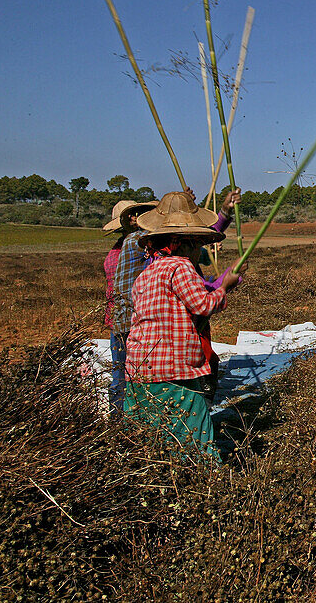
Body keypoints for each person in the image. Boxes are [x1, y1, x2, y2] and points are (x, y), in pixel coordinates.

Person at [124, 192, 246, 462]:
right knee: (192, 445)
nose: (199, 250)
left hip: (140, 369)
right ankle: (204, 487)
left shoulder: (147, 273)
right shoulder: (181, 266)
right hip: (176, 372)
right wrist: (225, 285)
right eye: (197, 244)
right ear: (183, 243)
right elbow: (202, 304)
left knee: (150, 443)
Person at [103, 198, 158, 418]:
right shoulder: (135, 244)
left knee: (120, 370)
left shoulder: (118, 248)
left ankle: (118, 419)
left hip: (118, 318)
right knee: (132, 373)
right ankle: (127, 418)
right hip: (130, 319)